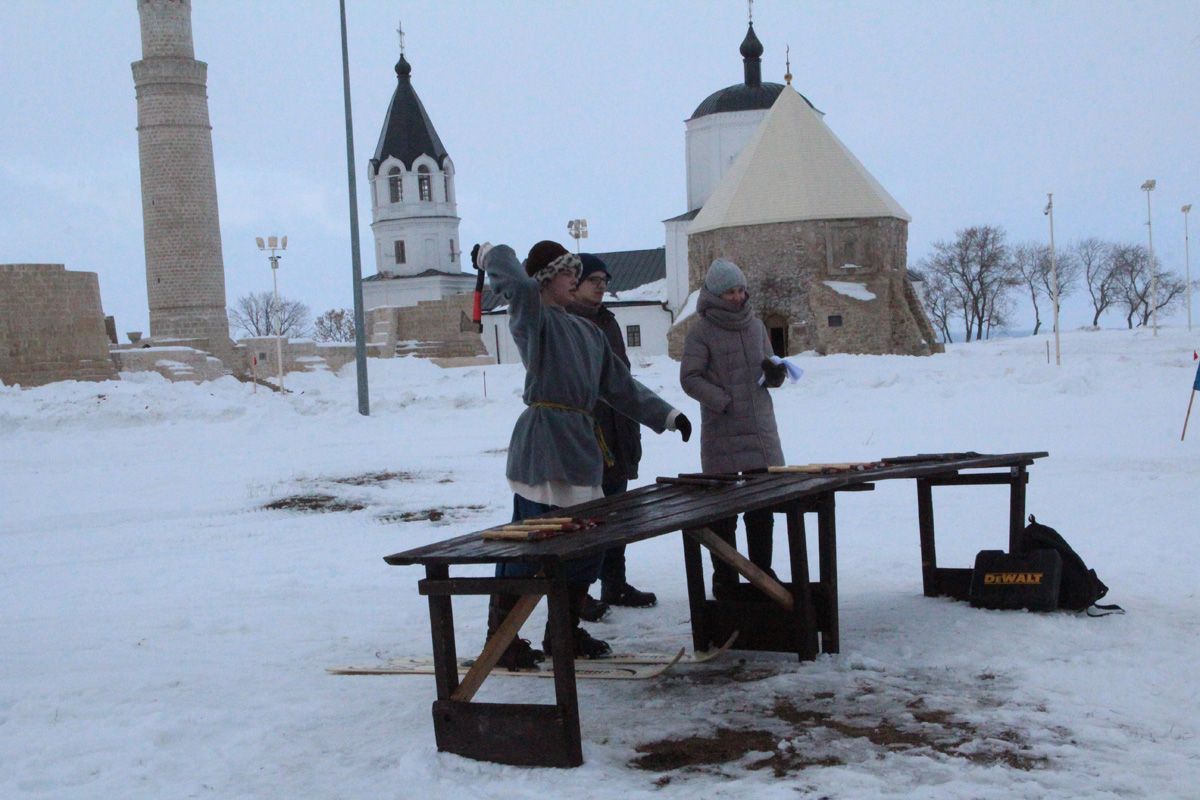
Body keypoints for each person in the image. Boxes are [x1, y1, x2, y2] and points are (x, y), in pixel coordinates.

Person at [475, 240, 691, 667]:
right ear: (543, 280)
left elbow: (620, 387)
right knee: (529, 545)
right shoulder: (534, 320)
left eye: (576, 271)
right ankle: (501, 640)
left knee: (587, 546)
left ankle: (564, 632)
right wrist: (490, 254)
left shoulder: (589, 332)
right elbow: (516, 285)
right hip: (543, 447)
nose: (574, 278)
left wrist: (667, 415)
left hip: (580, 451)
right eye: (565, 271)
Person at [679, 258, 787, 596]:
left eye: (741, 290)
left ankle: (762, 572)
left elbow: (770, 362)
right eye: (730, 292)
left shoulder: (756, 327)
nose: (738, 297)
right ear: (714, 294)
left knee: (762, 507)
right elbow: (689, 378)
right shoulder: (701, 331)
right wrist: (722, 400)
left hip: (760, 431)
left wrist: (775, 373)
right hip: (722, 432)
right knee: (722, 512)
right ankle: (725, 576)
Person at [568, 253, 658, 616]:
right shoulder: (567, 321)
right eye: (594, 281)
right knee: (588, 518)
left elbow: (623, 379)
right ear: (575, 283)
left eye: (605, 281)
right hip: (587, 432)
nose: (602, 288)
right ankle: (578, 593)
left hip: (619, 425)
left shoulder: (608, 321)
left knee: (618, 511)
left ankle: (614, 582)